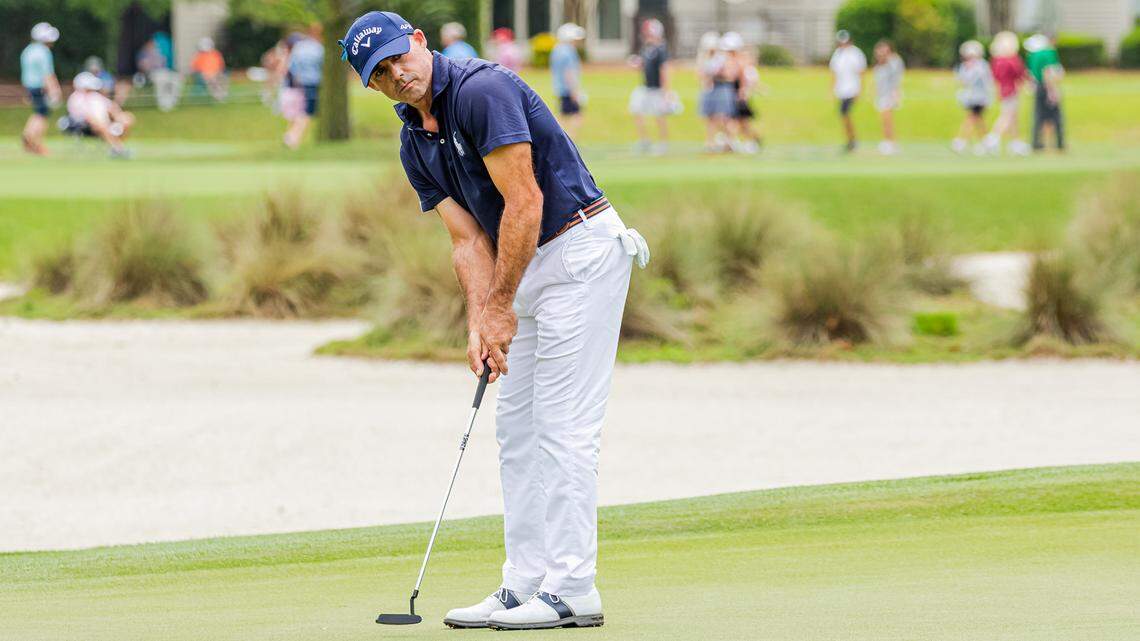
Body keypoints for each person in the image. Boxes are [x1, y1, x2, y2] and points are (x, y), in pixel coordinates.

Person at [339, 9, 649, 631]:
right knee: (516, 430)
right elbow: (467, 241)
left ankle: (572, 589)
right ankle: (524, 583)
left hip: (578, 253)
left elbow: (525, 201)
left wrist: (502, 304)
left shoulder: (483, 90)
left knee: (562, 426)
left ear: (420, 42)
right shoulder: (414, 142)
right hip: (525, 264)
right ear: (369, 85)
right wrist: (481, 318)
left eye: (400, 56)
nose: (398, 73)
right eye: (380, 71)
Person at [628, 18, 675, 154]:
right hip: (645, 87)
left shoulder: (661, 49)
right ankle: (645, 140)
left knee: (660, 115)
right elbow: (643, 64)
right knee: (636, 110)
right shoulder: (647, 48)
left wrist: (666, 90)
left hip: (657, 88)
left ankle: (663, 143)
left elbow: (664, 70)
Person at [66, 72, 135, 158]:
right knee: (99, 123)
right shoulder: (76, 98)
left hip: (105, 124)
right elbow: (82, 116)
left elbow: (112, 108)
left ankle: (117, 147)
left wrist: (118, 117)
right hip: (86, 127)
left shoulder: (96, 96)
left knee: (127, 118)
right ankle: (118, 149)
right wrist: (101, 122)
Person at [20, 22, 62, 156]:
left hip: (29, 87)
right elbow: (47, 74)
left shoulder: (28, 50)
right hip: (40, 88)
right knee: (43, 114)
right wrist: (55, 90)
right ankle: (35, 141)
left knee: (38, 112)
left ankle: (28, 136)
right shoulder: (44, 51)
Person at [984, 31, 1029, 156]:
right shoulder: (1011, 60)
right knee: (1007, 115)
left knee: (1013, 117)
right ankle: (992, 138)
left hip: (1002, 89)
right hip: (1011, 89)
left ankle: (1015, 142)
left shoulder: (996, 60)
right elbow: (1020, 73)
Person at [722, 32, 762, 154]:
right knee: (731, 121)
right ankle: (730, 143)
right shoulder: (731, 61)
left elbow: (742, 79)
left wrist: (742, 93)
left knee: (742, 123)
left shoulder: (740, 62)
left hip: (739, 97)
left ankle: (752, 141)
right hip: (731, 96)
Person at [284, 28, 324, 149]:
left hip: (300, 84)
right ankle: (292, 138)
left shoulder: (298, 48)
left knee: (298, 111)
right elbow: (323, 65)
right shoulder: (318, 48)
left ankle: (290, 136)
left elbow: (292, 67)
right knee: (307, 113)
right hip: (314, 83)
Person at [952, 40, 993, 155]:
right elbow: (961, 80)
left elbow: (987, 82)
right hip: (970, 97)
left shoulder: (982, 65)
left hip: (980, 97)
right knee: (978, 119)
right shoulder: (964, 66)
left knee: (973, 117)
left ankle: (962, 140)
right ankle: (986, 142)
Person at [1025, 33, 1065, 152]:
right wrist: (1052, 90)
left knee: (1038, 115)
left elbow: (1030, 74)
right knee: (1056, 116)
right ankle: (1060, 143)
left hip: (1038, 86)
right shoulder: (1048, 53)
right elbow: (1049, 71)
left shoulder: (1032, 56)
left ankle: (1036, 143)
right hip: (1048, 85)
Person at [829, 30, 867, 153]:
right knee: (843, 115)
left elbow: (861, 72)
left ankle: (852, 140)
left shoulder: (855, 53)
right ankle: (850, 140)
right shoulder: (838, 54)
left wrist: (860, 90)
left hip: (852, 89)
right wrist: (832, 89)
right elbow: (834, 72)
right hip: (841, 90)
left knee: (845, 113)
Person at [550, 23, 585, 139]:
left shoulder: (556, 50)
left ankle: (564, 140)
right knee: (576, 116)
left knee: (563, 115)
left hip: (559, 88)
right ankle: (570, 141)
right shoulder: (569, 51)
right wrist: (574, 91)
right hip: (568, 89)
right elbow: (569, 73)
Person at [872, 40, 903, 155]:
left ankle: (889, 142)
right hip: (881, 95)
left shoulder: (894, 62)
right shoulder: (879, 64)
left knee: (887, 119)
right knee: (884, 120)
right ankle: (890, 142)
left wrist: (896, 95)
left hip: (889, 95)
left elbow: (896, 80)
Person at [695, 31, 725, 151]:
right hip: (708, 89)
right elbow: (699, 74)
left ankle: (725, 138)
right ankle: (711, 141)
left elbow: (723, 73)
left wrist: (712, 76)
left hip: (719, 89)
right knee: (709, 117)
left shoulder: (720, 58)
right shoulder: (702, 58)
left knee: (720, 116)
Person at [137, 32, 181, 112]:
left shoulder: (159, 53)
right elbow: (142, 67)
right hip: (151, 74)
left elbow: (164, 64)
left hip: (164, 71)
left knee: (176, 78)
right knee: (161, 78)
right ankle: (163, 105)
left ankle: (172, 102)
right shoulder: (143, 54)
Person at [190, 37, 228, 101]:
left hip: (216, 74)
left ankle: (221, 95)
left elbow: (221, 66)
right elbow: (194, 69)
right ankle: (218, 97)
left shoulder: (216, 54)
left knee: (222, 79)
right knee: (212, 80)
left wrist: (218, 73)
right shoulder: (198, 56)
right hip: (204, 76)